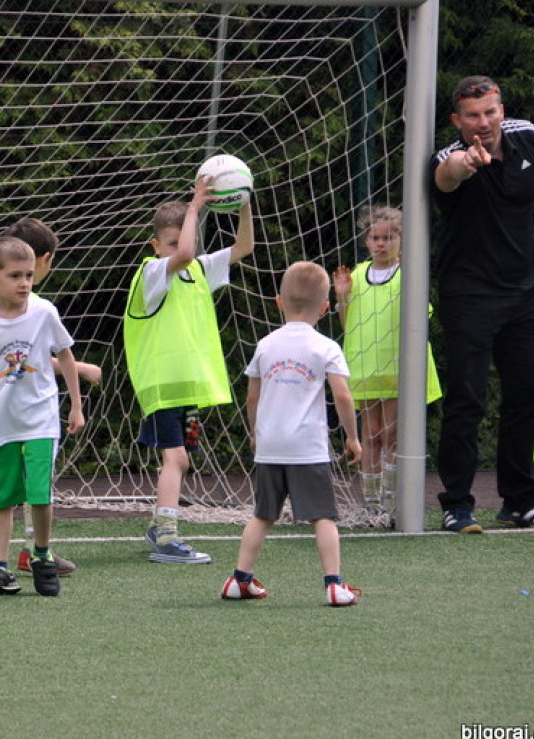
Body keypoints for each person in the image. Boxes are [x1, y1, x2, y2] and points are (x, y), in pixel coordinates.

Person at [431, 75, 534, 533]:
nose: (482, 123)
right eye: (471, 116)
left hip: (522, 295)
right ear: (457, 120)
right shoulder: (450, 156)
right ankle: (457, 504)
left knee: (527, 394)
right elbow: (447, 178)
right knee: (468, 398)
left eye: (489, 112)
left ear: (501, 110)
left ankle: (519, 501)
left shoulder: (528, 137)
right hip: (468, 295)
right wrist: (468, 163)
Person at [0, 217, 100, 576]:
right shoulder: (7, 307)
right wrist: (82, 369)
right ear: (45, 258)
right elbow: (17, 356)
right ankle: (25, 552)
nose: (25, 281)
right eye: (19, 274)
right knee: (11, 479)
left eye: (28, 275)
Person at [123, 174, 253, 563]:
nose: (180, 248)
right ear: (155, 245)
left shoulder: (198, 269)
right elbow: (181, 254)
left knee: (182, 459)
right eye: (170, 241)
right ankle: (166, 536)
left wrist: (242, 203)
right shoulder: (152, 272)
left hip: (186, 388)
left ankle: (160, 526)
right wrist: (195, 207)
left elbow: (244, 246)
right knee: (175, 459)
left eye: (185, 238)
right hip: (162, 386)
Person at [221, 261, 363, 607]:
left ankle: (239, 580)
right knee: (323, 516)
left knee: (262, 515)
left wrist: (254, 432)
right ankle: (334, 584)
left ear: (279, 302)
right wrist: (352, 437)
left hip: (270, 446)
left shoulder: (266, 345)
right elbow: (342, 395)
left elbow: (252, 396)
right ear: (325, 308)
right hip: (307, 449)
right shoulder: (325, 346)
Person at [332, 205, 442, 524]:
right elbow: (347, 323)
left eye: (388, 237)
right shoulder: (355, 275)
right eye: (375, 238)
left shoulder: (410, 273)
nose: (381, 244)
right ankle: (371, 505)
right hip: (367, 367)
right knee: (371, 435)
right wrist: (342, 298)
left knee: (392, 435)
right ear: (366, 241)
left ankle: (392, 503)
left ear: (402, 240)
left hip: (397, 368)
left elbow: (422, 318)